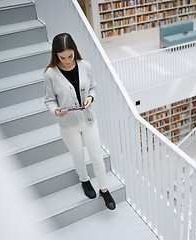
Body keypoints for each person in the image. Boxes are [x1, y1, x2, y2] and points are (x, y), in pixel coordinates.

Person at [44, 33, 115, 210]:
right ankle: (84, 181)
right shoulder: (50, 74)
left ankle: (104, 190)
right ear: (56, 55)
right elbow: (49, 100)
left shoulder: (85, 66)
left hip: (88, 120)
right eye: (62, 57)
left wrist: (91, 97)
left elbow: (93, 87)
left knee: (97, 157)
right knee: (78, 157)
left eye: (70, 55)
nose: (67, 61)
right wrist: (55, 111)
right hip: (68, 125)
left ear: (75, 51)